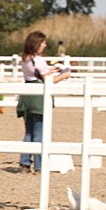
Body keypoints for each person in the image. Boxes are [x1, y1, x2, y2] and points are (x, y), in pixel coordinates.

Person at [17, 31, 69, 172]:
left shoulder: (25, 58)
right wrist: (64, 76)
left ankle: (25, 163)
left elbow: (36, 74)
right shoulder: (38, 60)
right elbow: (48, 81)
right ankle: (39, 166)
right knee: (40, 132)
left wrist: (49, 69)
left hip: (27, 95)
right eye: (43, 42)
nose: (45, 45)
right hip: (38, 97)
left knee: (29, 132)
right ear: (37, 44)